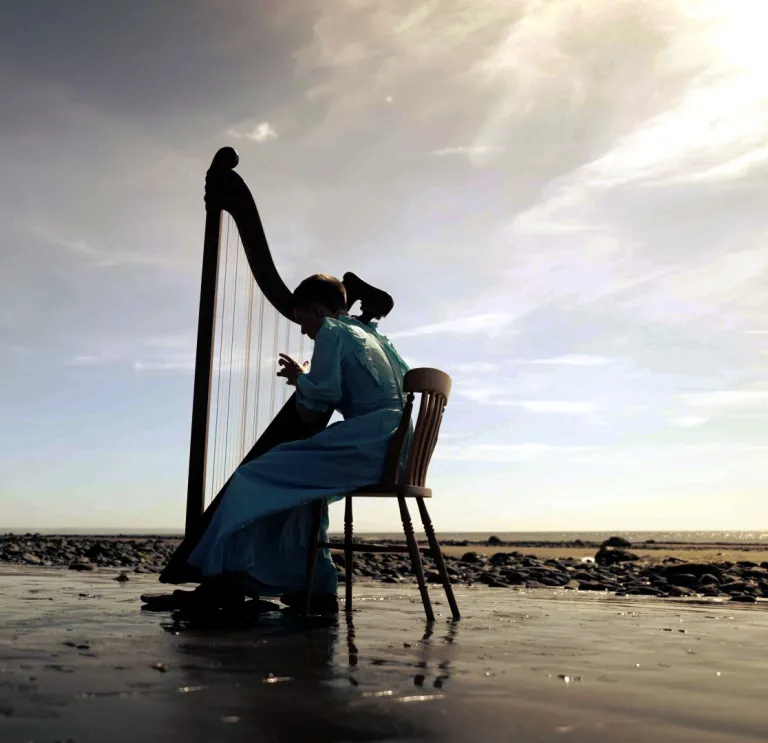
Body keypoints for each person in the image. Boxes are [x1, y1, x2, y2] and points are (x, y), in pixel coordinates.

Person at [160, 274, 409, 614]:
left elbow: (310, 414)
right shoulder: (373, 335)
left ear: (318, 310)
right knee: (307, 494)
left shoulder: (332, 332)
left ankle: (220, 582)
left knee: (251, 477)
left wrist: (299, 379)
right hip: (402, 449)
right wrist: (310, 378)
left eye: (304, 320)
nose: (305, 331)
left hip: (370, 442)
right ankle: (317, 587)